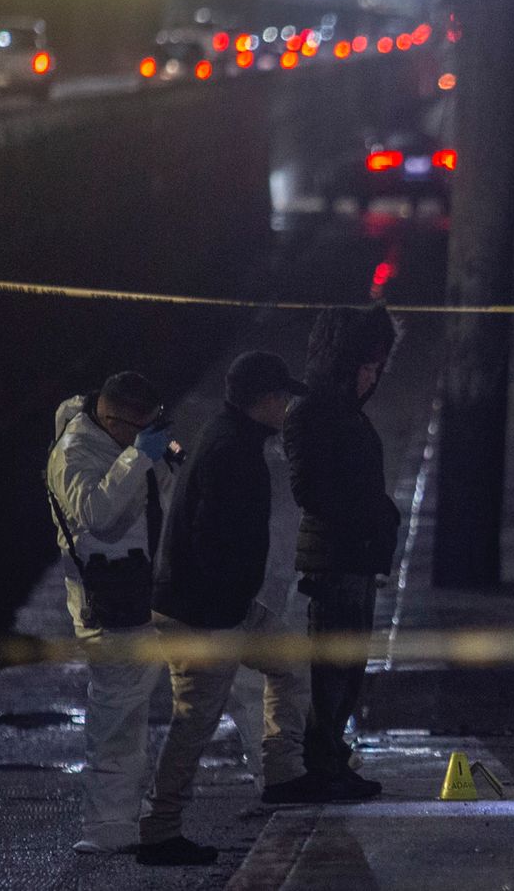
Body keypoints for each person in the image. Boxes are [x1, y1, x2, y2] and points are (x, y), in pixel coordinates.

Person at [137, 351, 337, 867]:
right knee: (193, 721)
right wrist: (221, 617)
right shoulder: (232, 452)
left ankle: (283, 775)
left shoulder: (229, 437)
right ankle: (159, 831)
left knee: (290, 660)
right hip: (202, 613)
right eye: (283, 398)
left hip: (219, 606)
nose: (288, 406)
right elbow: (210, 539)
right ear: (266, 401)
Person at [45, 371, 176, 855]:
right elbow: (97, 515)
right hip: (110, 602)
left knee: (135, 711)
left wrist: (153, 456)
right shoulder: (75, 452)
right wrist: (139, 456)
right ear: (112, 419)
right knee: (117, 716)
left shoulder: (119, 442)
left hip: (147, 591)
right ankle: (108, 829)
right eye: (138, 428)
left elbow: (162, 496)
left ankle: (129, 814)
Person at [284, 305, 401, 799]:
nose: (371, 378)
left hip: (355, 558)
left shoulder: (346, 414)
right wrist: (369, 518)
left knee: (348, 670)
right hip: (333, 560)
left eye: (378, 368)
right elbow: (311, 490)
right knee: (330, 671)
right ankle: (322, 764)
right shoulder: (312, 412)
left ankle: (334, 757)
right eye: (365, 367)